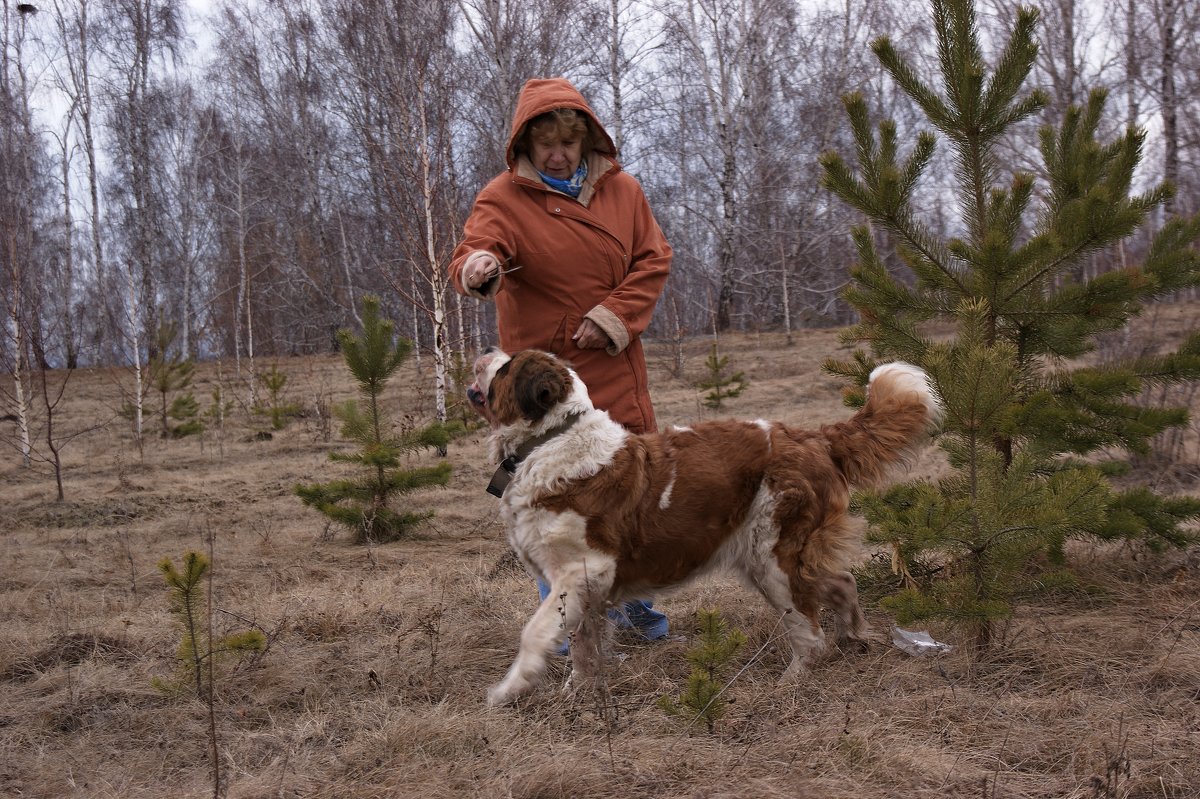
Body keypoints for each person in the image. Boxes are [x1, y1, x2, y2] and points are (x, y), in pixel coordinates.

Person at [449, 76, 672, 644]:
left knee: (629, 494)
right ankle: (573, 631)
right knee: (557, 507)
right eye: (544, 143)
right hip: (544, 385)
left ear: (586, 140)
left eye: (567, 143)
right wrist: (478, 266)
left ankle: (636, 614)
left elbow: (653, 260)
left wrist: (613, 316)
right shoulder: (503, 196)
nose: (557, 154)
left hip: (615, 366)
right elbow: (478, 249)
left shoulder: (624, 192)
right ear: (525, 145)